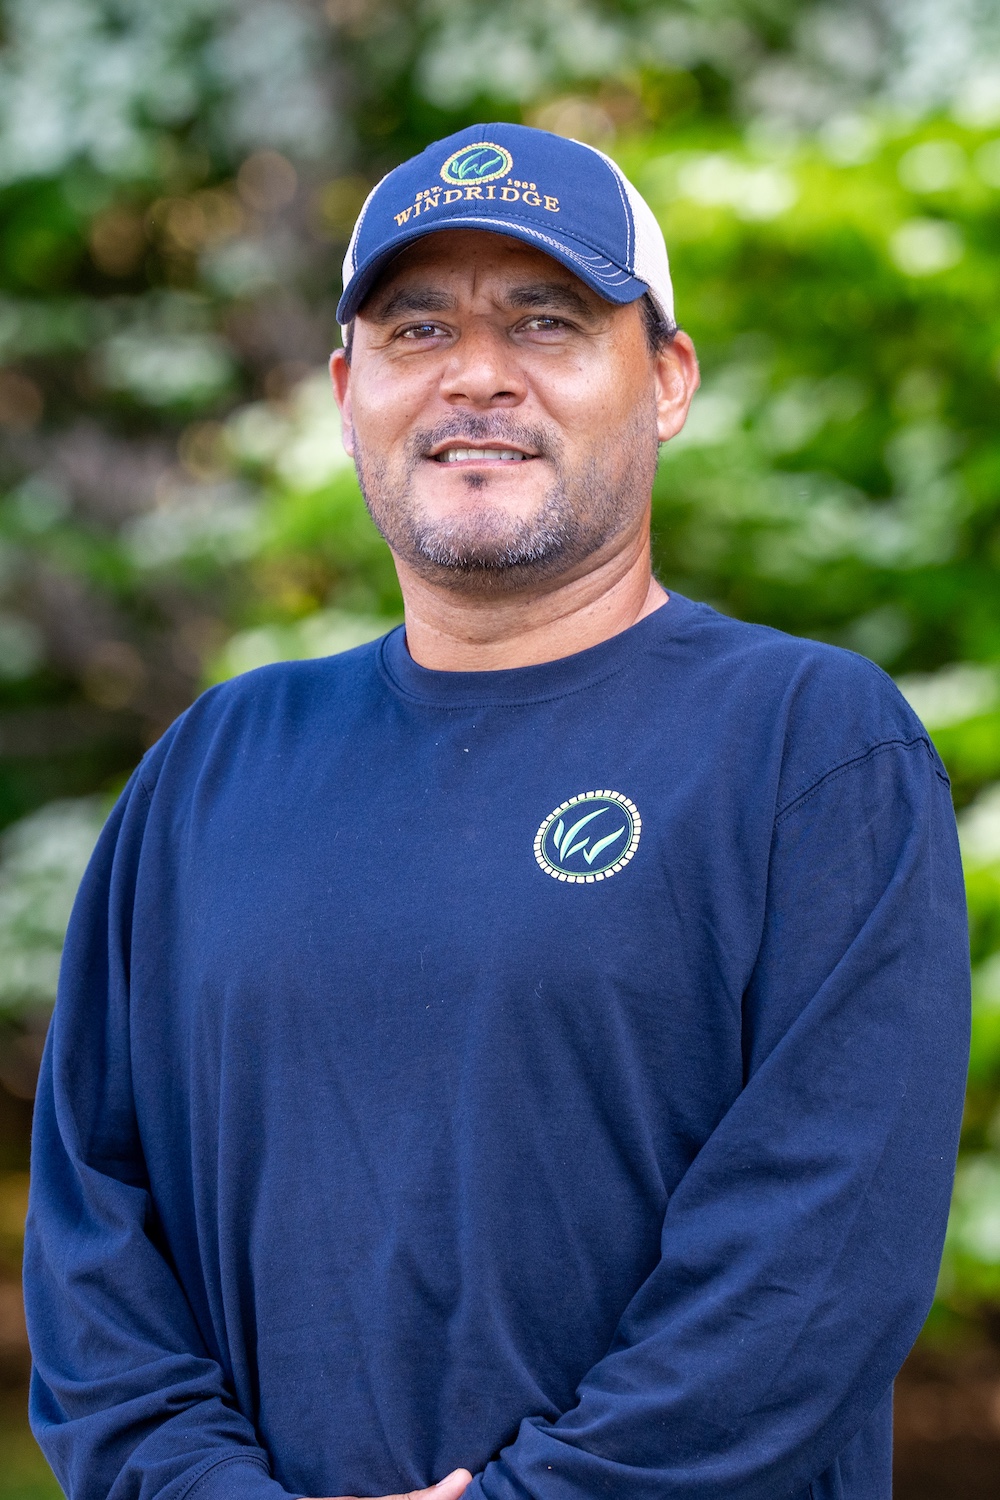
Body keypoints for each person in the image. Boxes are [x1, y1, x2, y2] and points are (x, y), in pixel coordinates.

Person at [24, 123, 969, 1500]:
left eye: (548, 319)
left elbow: (818, 1259)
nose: (477, 375)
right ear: (349, 388)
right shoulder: (213, 766)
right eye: (416, 329)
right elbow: (93, 1235)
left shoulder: (810, 748)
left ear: (667, 381)